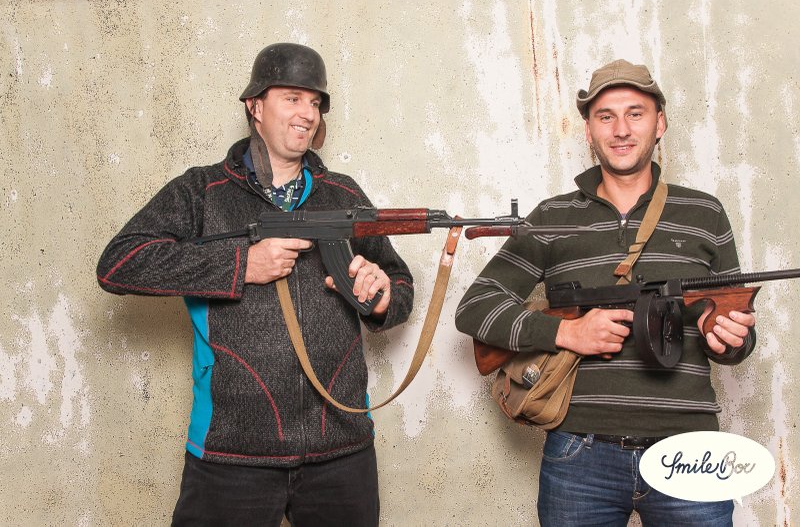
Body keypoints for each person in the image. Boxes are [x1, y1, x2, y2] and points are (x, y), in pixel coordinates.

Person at [97, 43, 413, 526]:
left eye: (315, 102)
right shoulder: (201, 191)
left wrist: (384, 297)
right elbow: (120, 263)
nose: (307, 114)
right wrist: (240, 264)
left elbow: (399, 281)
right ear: (255, 106)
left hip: (342, 448)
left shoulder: (344, 192)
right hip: (230, 453)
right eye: (292, 98)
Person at [455, 59, 756, 525]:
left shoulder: (705, 213)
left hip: (691, 453)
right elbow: (475, 307)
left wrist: (731, 339)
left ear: (660, 124)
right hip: (580, 456)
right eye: (605, 116)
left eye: (636, 113)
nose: (621, 130)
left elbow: (738, 337)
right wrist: (567, 334)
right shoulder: (551, 217)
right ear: (589, 132)